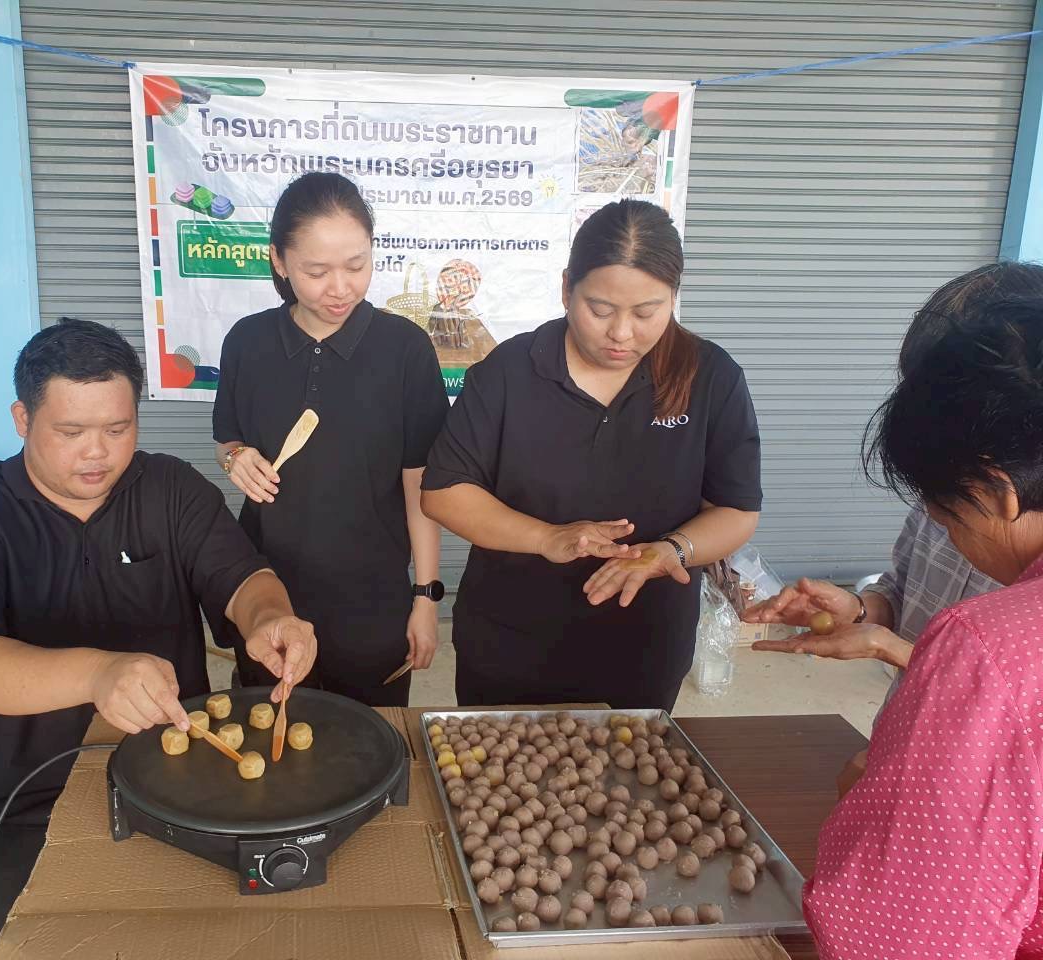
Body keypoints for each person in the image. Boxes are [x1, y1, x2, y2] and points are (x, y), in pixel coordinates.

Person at [0, 318, 318, 960]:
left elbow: (245, 578)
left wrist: (270, 618)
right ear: (22, 419)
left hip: (173, 772)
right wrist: (96, 674)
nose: (97, 453)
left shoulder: (171, 488)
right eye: (70, 433)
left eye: (117, 429)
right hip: (8, 796)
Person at [421, 199, 762, 711]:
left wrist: (671, 551)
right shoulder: (510, 370)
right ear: (565, 288)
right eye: (600, 310)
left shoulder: (710, 376)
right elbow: (444, 491)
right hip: (510, 642)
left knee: (629, 781)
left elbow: (736, 510)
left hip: (645, 644)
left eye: (647, 312)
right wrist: (547, 536)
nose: (622, 334)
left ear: (673, 297)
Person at [801, 274, 1043, 958]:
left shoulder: (988, 645)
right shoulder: (978, 484)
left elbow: (906, 931)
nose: (938, 525)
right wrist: (864, 611)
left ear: (996, 488)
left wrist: (884, 810)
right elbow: (902, 584)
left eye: (945, 514)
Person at [741, 263, 1043, 789]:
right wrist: (861, 611)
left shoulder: (1018, 609)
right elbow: (903, 592)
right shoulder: (948, 490)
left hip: (965, 786)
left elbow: (1011, 726)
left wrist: (893, 651)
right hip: (909, 750)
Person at [213, 172, 450, 707]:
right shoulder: (248, 342)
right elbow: (226, 439)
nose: (339, 288)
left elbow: (422, 484)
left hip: (371, 602)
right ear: (279, 261)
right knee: (268, 739)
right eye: (316, 271)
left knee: (369, 747)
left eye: (356, 265)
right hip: (266, 591)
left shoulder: (404, 350)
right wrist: (236, 459)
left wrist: (426, 597)